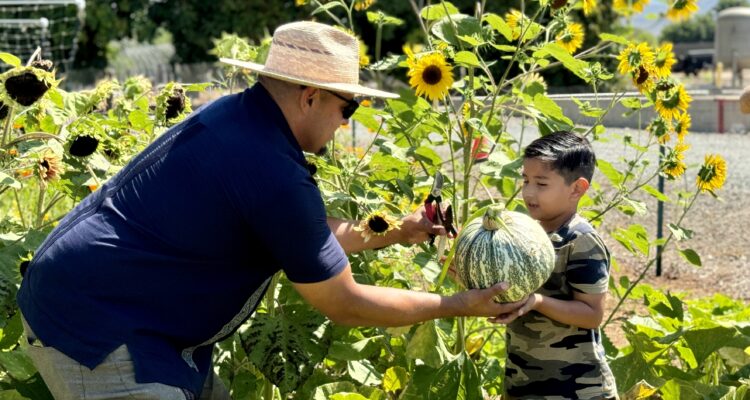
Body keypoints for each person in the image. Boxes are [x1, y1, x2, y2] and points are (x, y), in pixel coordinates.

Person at [16, 21, 525, 400]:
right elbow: (344, 303)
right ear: (309, 98)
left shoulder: (240, 117)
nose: (346, 124)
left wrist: (398, 231)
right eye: (346, 109)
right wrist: (456, 304)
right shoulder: (270, 167)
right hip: (98, 328)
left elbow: (301, 234)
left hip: (129, 310)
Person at [495, 131, 618, 399]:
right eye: (525, 180)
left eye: (541, 184)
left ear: (577, 188)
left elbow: (592, 314)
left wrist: (538, 302)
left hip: (577, 389)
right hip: (523, 383)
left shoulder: (581, 240)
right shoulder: (525, 235)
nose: (528, 192)